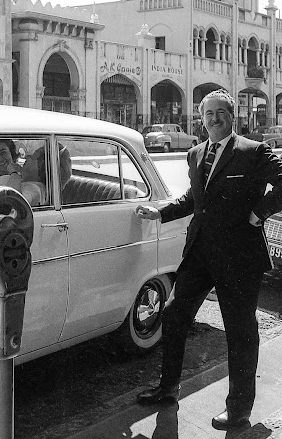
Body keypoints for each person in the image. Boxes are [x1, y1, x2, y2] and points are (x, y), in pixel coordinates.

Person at [135, 89, 282, 430]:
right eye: (208, 113)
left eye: (220, 112)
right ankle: (168, 388)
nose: (214, 118)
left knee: (240, 331)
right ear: (201, 119)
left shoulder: (253, 151)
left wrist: (259, 213)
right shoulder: (195, 153)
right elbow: (193, 199)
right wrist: (161, 212)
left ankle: (240, 408)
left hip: (238, 258)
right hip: (200, 253)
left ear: (232, 116)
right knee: (172, 315)